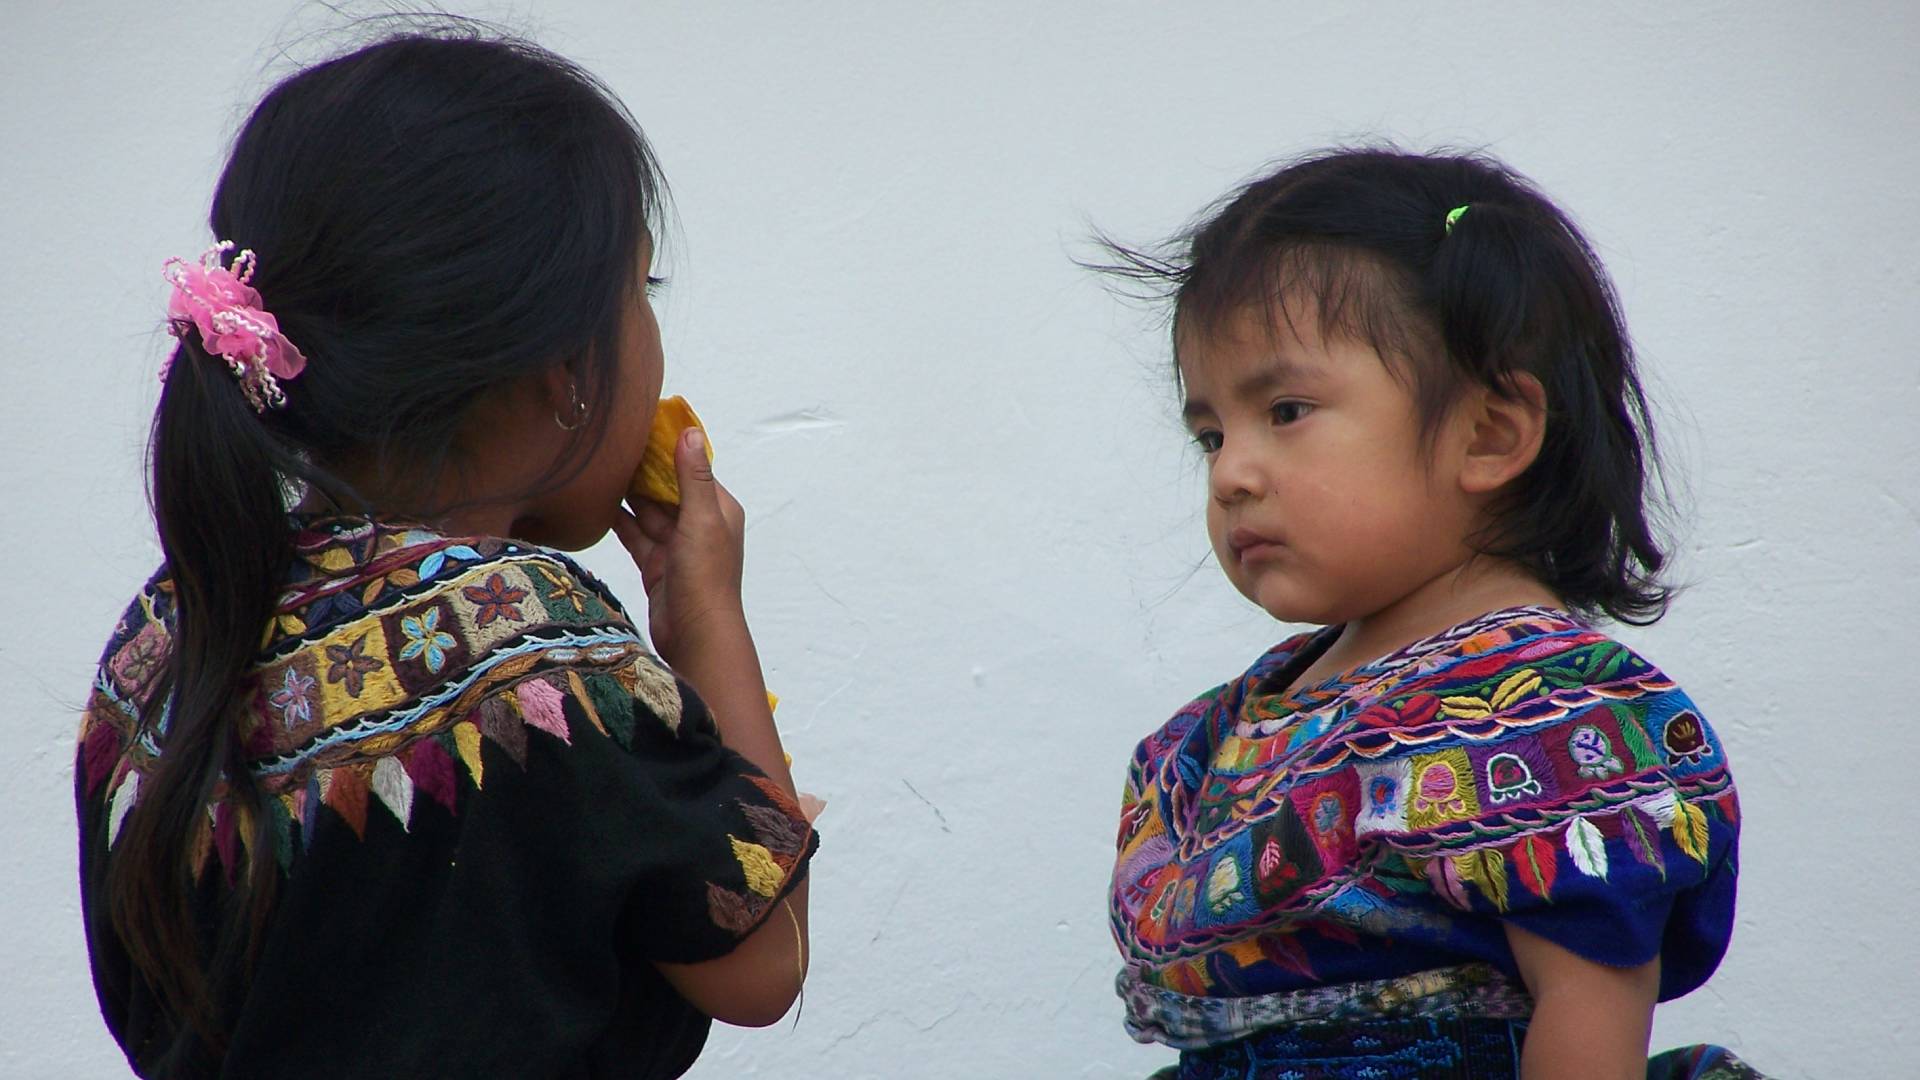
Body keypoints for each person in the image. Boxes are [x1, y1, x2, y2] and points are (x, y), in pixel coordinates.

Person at [75, 27, 816, 1079]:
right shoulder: (538, 652)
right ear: (565, 368)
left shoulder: (168, 629)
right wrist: (706, 620)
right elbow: (762, 963)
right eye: (642, 292)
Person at [1102, 149, 1754, 1079]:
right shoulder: (1224, 732)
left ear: (1489, 434)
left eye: (1285, 410)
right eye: (1210, 435)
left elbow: (1589, 1024)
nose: (1230, 473)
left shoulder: (1547, 721)